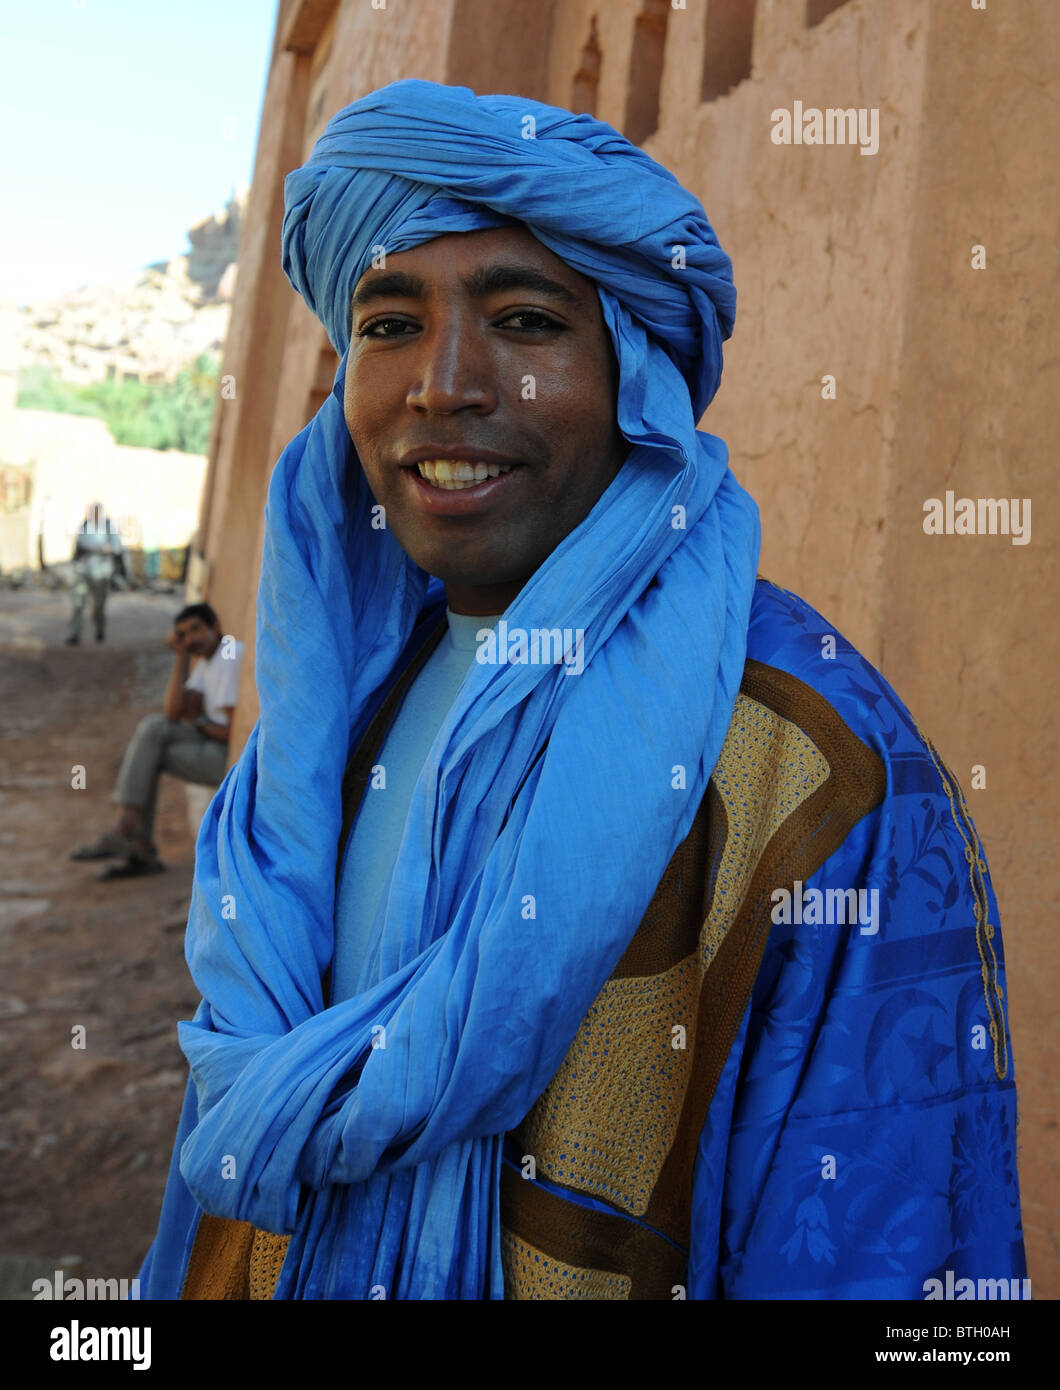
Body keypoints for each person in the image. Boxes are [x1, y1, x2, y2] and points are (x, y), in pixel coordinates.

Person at [139, 81, 1025, 1300]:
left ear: (638, 375)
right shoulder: (332, 715)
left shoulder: (813, 769)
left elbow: (878, 1233)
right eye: (388, 324)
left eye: (523, 319)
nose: (442, 383)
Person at [71, 603, 243, 881]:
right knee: (152, 729)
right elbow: (173, 712)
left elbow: (236, 733)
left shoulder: (229, 656)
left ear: (216, 627)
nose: (191, 639)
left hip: (231, 759)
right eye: (183, 635)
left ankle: (135, 840)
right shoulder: (208, 662)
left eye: (196, 630)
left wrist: (198, 721)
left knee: (151, 753)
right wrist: (180, 656)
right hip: (211, 742)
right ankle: (131, 831)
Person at [64, 501, 124, 645]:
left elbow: (116, 548)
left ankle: (99, 628)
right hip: (83, 571)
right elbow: (77, 547)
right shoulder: (85, 526)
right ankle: (74, 633)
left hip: (101, 573)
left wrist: (105, 549)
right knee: (78, 604)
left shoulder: (109, 527)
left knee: (98, 605)